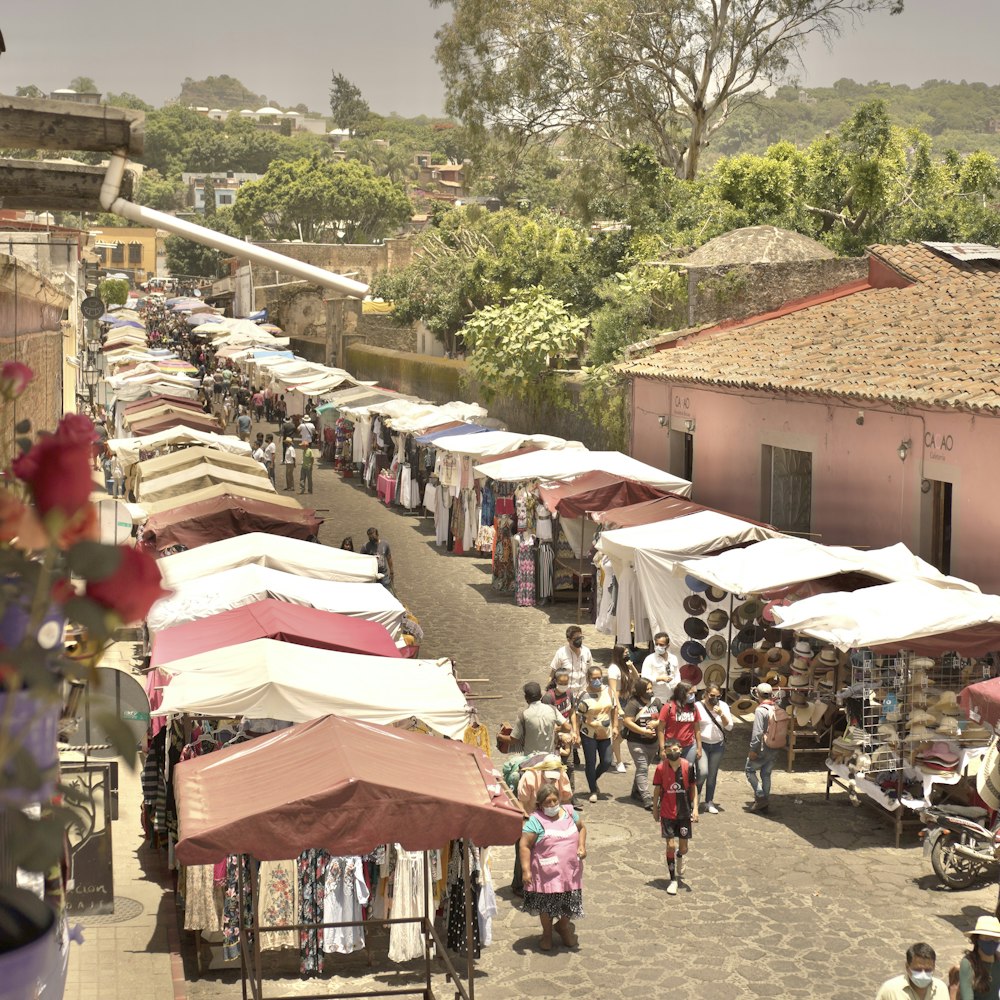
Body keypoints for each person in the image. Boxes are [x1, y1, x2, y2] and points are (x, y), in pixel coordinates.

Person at [518, 782, 585, 952]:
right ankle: (547, 934)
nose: (553, 805)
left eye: (555, 800)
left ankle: (563, 926)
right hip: (546, 873)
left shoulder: (570, 813)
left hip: (570, 871)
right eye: (548, 802)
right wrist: (526, 870)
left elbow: (582, 828)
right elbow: (524, 845)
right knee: (547, 906)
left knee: (569, 902)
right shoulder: (536, 820)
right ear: (540, 804)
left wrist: (582, 846)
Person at [651, 735, 698, 896]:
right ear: (664, 752)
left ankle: (679, 856)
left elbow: (693, 788)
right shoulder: (660, 768)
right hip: (667, 812)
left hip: (684, 812)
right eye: (669, 750)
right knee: (670, 845)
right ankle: (673, 879)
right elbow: (657, 789)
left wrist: (695, 809)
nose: (673, 753)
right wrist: (655, 808)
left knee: (683, 848)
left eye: (676, 750)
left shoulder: (688, 766)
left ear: (681, 750)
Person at [573, 664, 617, 804]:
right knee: (590, 763)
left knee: (606, 761)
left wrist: (615, 726)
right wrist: (577, 734)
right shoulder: (583, 695)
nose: (597, 681)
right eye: (594, 678)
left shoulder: (608, 691)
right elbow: (577, 715)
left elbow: (614, 709)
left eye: (600, 678)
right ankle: (593, 789)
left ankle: (593, 778)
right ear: (588, 678)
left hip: (605, 732)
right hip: (589, 733)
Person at [622, 677, 661, 810]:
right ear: (640, 691)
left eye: (651, 688)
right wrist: (643, 731)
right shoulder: (633, 703)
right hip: (636, 741)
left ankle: (636, 791)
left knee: (642, 768)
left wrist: (656, 723)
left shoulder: (656, 702)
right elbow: (627, 721)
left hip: (653, 742)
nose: (650, 691)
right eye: (647, 689)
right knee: (643, 767)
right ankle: (646, 797)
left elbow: (663, 717)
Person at [695, 684, 733, 814]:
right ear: (706, 694)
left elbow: (729, 727)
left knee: (712, 775)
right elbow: (694, 727)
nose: (714, 698)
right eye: (712, 696)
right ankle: (695, 796)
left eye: (717, 696)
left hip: (718, 745)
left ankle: (709, 801)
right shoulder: (698, 706)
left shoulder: (723, 706)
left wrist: (721, 714)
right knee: (702, 772)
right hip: (703, 744)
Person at [658, 681, 702, 786]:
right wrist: (662, 748)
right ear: (682, 693)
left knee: (687, 772)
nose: (693, 696)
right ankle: (667, 797)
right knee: (670, 773)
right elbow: (660, 729)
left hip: (689, 746)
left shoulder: (693, 708)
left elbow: (697, 729)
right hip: (672, 746)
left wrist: (699, 747)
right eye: (690, 693)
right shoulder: (668, 707)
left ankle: (684, 797)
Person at [745, 682, 778, 812]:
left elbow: (757, 732)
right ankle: (765, 802)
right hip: (775, 746)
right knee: (766, 774)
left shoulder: (760, 710)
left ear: (757, 694)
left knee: (749, 770)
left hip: (763, 747)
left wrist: (753, 749)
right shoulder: (776, 707)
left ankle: (761, 796)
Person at [511, 682, 571, 755]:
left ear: (526, 698)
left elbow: (513, 740)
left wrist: (500, 737)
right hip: (549, 757)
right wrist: (557, 729)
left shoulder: (523, 715)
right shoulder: (552, 709)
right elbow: (567, 728)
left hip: (531, 759)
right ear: (541, 695)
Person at [875, 942, 947, 999]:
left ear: (934, 967)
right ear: (907, 967)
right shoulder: (890, 990)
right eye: (918, 970)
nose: (923, 974)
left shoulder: (941, 988)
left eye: (928, 970)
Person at [542, 667, 576, 789]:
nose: (564, 685)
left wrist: (574, 731)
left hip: (567, 734)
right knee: (553, 767)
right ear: (555, 681)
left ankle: (570, 794)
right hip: (553, 738)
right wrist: (561, 733)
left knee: (570, 766)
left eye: (566, 683)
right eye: (561, 683)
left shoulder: (569, 693)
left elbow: (572, 712)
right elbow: (547, 722)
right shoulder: (548, 698)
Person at [608, 645, 639, 773]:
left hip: (629, 699)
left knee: (626, 731)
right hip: (619, 701)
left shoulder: (626, 666)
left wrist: (631, 666)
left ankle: (610, 750)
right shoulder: (613, 668)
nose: (627, 654)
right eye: (625, 653)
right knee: (618, 731)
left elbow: (637, 678)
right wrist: (618, 707)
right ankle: (618, 761)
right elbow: (613, 690)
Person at [958, 916, 1000, 1000]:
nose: (992, 942)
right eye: (987, 938)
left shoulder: (998, 960)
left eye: (996, 939)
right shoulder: (968, 963)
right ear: (977, 938)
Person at [550, 626, 593, 699]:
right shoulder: (561, 653)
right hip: (566, 695)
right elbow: (552, 674)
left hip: (583, 694)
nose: (579, 640)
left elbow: (590, 671)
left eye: (580, 638)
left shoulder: (586, 652)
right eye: (576, 639)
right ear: (568, 640)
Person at [642, 631, 679, 703]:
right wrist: (659, 679)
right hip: (657, 697)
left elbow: (677, 674)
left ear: (667, 646)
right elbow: (644, 677)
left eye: (661, 645)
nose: (658, 647)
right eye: (656, 644)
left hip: (672, 696)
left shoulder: (673, 658)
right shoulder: (650, 659)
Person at [362, 527, 394, 591]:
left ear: (377, 534)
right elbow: (362, 560)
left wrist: (391, 571)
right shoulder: (365, 546)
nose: (371, 539)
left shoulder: (385, 544)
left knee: (386, 592)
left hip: (383, 574)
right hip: (372, 574)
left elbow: (389, 558)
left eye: (373, 536)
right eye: (370, 537)